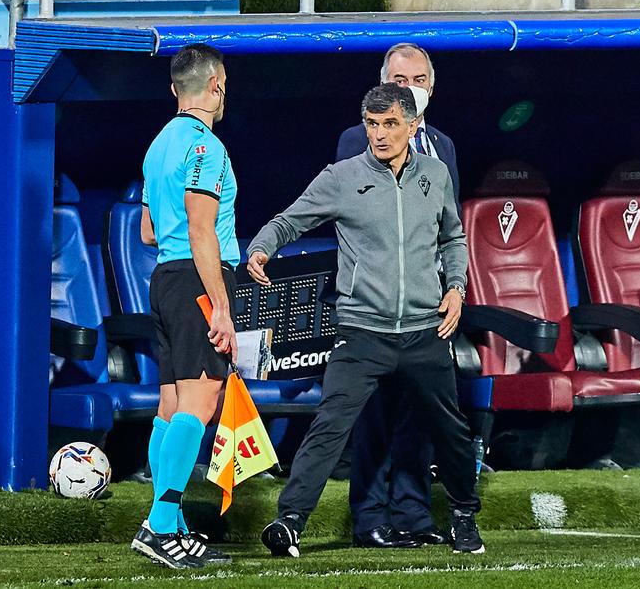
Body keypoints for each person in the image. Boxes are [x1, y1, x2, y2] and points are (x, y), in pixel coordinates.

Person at [250, 83, 484, 557]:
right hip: (362, 333)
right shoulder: (341, 177)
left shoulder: (436, 175)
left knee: (452, 430)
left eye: (390, 124)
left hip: (424, 330)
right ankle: (289, 522)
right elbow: (288, 220)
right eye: (372, 125)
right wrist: (261, 247)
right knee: (330, 425)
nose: (379, 135)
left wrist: (456, 288)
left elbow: (453, 239)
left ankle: (463, 516)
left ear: (413, 126)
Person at [334, 43, 458, 549]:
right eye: (400, 79)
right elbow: (350, 218)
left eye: (420, 79)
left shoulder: (444, 147)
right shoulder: (353, 141)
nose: (411, 88)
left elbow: (453, 227)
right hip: (377, 307)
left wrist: (456, 287)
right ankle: (369, 518)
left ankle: (414, 515)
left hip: (430, 305)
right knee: (375, 413)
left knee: (421, 413)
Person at [130, 43, 239, 569]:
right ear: (217, 85)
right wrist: (220, 305)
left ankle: (165, 526)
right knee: (201, 403)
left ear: (176, 89)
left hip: (165, 279)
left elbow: (149, 231)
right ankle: (160, 524)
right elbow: (201, 228)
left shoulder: (156, 146)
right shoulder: (206, 148)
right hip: (197, 279)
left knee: (171, 406)